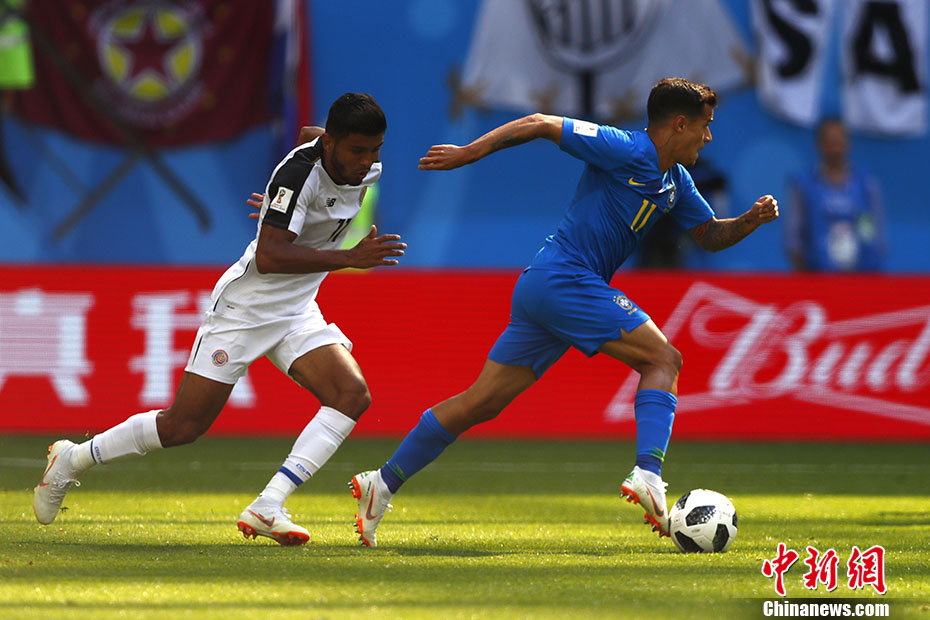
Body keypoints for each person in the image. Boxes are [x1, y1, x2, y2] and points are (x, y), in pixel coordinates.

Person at [348, 78, 779, 547]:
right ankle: (648, 475)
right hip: (564, 279)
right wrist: (468, 152)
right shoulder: (626, 148)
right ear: (679, 124)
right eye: (704, 125)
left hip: (548, 287)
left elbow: (709, 236)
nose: (708, 137)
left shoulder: (675, 181)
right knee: (663, 360)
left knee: (481, 402)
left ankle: (381, 483)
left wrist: (749, 220)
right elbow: (539, 123)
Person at [33, 92, 407, 546]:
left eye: (375, 150)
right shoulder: (299, 175)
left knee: (351, 394)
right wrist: (341, 251)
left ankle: (268, 505)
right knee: (182, 426)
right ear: (331, 144)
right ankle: (73, 459)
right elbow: (269, 257)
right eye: (358, 150)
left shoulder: (346, 163)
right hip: (246, 309)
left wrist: (279, 207)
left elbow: (307, 135)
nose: (367, 161)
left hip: (296, 309)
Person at [786, 118, 886, 272]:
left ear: (848, 143)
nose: (835, 146)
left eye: (840, 140)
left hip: (861, 276)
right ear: (819, 144)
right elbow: (794, 239)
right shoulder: (804, 185)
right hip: (816, 276)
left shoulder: (866, 184)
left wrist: (869, 268)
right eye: (830, 141)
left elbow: (875, 234)